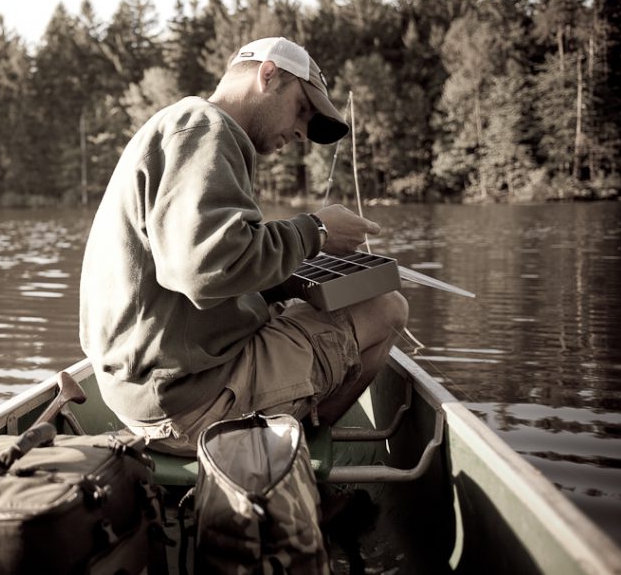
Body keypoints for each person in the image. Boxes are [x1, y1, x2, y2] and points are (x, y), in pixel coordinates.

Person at [79, 36, 408, 455]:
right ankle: (291, 469)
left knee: (294, 306)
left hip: (145, 386)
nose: (300, 133)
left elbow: (190, 269)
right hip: (189, 402)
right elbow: (203, 270)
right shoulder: (207, 128)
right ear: (267, 75)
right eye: (301, 110)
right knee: (387, 308)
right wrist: (316, 232)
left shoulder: (180, 127)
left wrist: (281, 284)